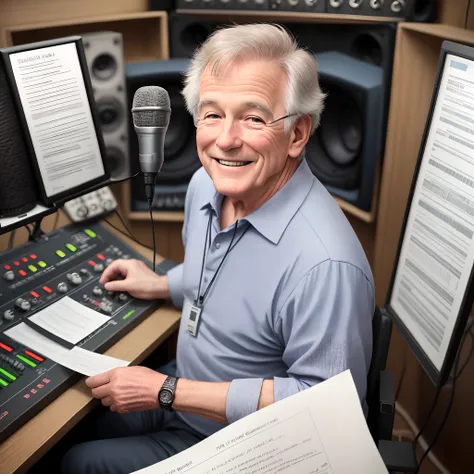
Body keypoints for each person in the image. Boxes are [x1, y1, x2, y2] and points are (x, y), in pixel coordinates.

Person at [61, 23, 374, 474]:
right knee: (81, 424)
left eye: (253, 118)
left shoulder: (326, 265)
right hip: (186, 392)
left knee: (78, 462)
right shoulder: (206, 184)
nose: (226, 139)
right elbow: (222, 275)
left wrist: (166, 391)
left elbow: (324, 410)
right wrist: (163, 283)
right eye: (212, 115)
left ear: (298, 134)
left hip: (243, 445)